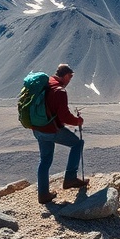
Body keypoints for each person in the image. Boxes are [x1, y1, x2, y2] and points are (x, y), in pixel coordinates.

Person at [32, 63, 88, 203]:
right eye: (69, 77)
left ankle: (43, 195)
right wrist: (78, 121)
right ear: (66, 75)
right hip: (51, 130)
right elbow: (64, 117)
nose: (69, 81)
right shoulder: (60, 91)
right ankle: (70, 178)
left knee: (45, 161)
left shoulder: (46, 83)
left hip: (38, 128)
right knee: (77, 144)